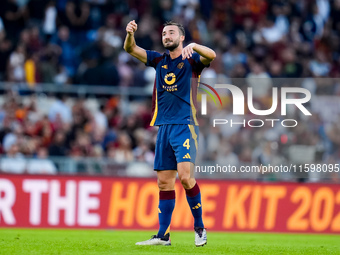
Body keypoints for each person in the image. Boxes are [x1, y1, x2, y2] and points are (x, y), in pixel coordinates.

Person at [124, 20, 215, 246]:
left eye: (171, 32)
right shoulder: (158, 60)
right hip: (164, 127)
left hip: (185, 126)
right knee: (164, 184)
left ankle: (200, 227)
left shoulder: (192, 60)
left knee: (185, 177)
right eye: (164, 33)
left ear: (181, 37)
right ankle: (163, 235)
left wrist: (193, 46)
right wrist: (130, 34)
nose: (166, 36)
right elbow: (130, 49)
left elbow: (211, 55)